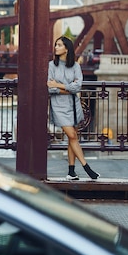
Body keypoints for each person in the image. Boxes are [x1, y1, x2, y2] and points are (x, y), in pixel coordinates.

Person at [47, 36, 100, 180]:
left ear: (66, 48)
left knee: (72, 138)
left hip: (73, 104)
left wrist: (58, 85)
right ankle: (87, 168)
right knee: (72, 135)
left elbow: (78, 87)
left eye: (59, 45)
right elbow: (49, 89)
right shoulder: (51, 65)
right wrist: (68, 88)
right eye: (56, 45)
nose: (56, 47)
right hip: (58, 105)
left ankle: (71, 172)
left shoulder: (76, 66)